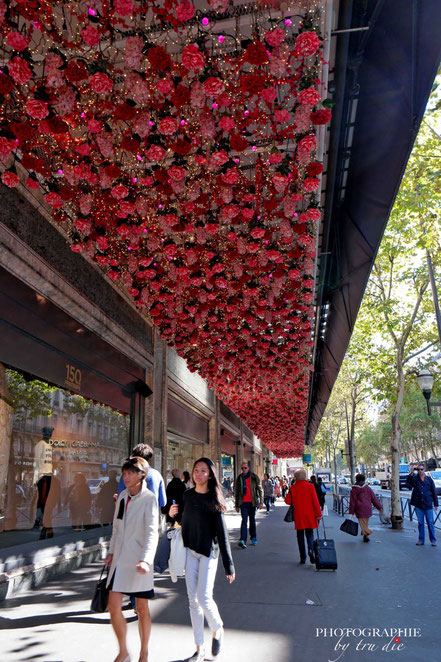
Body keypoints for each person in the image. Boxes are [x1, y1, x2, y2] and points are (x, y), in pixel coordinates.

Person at [169, 457, 235, 662]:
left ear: (210, 475)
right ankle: (199, 649)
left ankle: (218, 628)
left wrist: (229, 565)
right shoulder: (187, 495)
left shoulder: (213, 500)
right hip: (190, 552)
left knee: (204, 598)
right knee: (193, 601)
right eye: (196, 470)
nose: (198, 474)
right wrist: (173, 515)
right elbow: (184, 520)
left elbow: (222, 535)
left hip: (209, 553)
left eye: (203, 471)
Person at [105, 457, 159, 662]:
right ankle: (123, 651)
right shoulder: (122, 498)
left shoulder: (149, 498)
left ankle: (144, 653)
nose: (126, 477)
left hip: (139, 562)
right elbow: (117, 528)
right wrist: (111, 552)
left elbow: (153, 532)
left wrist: (146, 559)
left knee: (142, 608)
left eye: (130, 473)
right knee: (113, 606)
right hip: (120, 560)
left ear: (141, 475)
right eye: (124, 473)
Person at [285, 468, 322, 564]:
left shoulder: (293, 488)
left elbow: (287, 501)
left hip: (298, 514)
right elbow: (315, 501)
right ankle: (310, 550)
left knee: (300, 535)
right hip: (309, 514)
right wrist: (318, 514)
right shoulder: (310, 486)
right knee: (310, 534)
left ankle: (302, 557)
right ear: (304, 476)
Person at [117, 444, 166, 509]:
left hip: (130, 514)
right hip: (152, 513)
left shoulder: (126, 475)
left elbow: (120, 497)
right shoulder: (157, 475)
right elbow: (162, 502)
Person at [406, 463, 438, 546]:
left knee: (430, 523)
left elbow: (434, 492)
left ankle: (433, 540)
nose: (420, 471)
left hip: (428, 504)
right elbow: (409, 483)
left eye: (422, 469)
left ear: (424, 470)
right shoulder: (415, 479)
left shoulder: (429, 480)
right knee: (420, 523)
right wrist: (412, 473)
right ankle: (421, 540)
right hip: (419, 504)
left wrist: (436, 504)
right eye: (419, 469)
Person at [234, 462, 263, 548]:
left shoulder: (254, 477)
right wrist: (236, 505)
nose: (243, 470)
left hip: (252, 503)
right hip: (243, 503)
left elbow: (260, 489)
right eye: (242, 468)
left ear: (248, 468)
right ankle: (242, 540)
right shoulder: (239, 478)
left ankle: (253, 537)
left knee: (252, 521)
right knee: (244, 521)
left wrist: (261, 502)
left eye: (245, 468)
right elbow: (237, 492)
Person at [348, 473, 383, 542]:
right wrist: (379, 507)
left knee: (362, 523)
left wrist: (351, 512)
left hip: (359, 509)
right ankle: (365, 536)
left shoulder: (354, 489)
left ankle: (368, 532)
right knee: (365, 523)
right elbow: (374, 499)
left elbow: (353, 501)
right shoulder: (368, 488)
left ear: (356, 480)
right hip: (367, 508)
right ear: (364, 480)